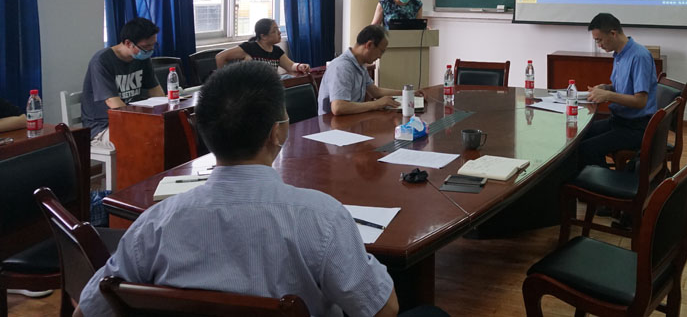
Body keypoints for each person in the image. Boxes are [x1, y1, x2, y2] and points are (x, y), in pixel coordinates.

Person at [74, 60, 435, 317]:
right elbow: (382, 309)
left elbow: (89, 309)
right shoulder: (321, 218)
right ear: (278, 132)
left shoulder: (154, 225)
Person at [578, 13, 659, 168]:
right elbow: (623, 88)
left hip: (637, 127)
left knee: (587, 149)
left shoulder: (639, 56)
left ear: (613, 33)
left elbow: (640, 101)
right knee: (578, 135)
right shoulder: (619, 55)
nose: (599, 45)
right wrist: (606, 88)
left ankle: (602, 181)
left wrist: (608, 95)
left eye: (599, 40)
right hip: (619, 121)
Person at [80, 18, 163, 149]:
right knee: (144, 138)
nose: (151, 50)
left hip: (133, 120)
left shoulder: (143, 59)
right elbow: (113, 103)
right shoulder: (102, 61)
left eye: (153, 45)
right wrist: (142, 124)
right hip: (103, 126)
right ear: (128, 43)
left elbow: (156, 91)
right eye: (146, 46)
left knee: (170, 131)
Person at [317, 25, 412, 116]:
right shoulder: (342, 67)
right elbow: (339, 107)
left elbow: (375, 91)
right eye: (381, 51)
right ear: (369, 45)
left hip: (351, 119)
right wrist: (376, 104)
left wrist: (407, 93)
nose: (380, 56)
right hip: (333, 124)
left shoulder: (360, 64)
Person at [215, 18, 310, 75]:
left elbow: (290, 65)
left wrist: (300, 66)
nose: (279, 33)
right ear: (263, 36)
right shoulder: (249, 48)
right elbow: (220, 57)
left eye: (278, 29)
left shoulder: (276, 51)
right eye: (274, 31)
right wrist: (225, 82)